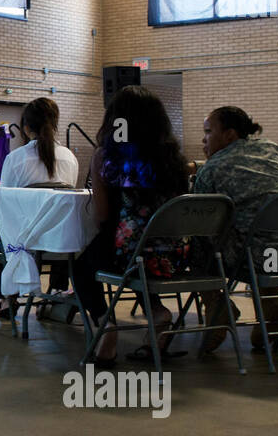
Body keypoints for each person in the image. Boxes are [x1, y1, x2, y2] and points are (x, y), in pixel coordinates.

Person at [72, 86, 191, 366]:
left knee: (82, 267)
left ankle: (106, 326)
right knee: (139, 257)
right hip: (174, 256)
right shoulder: (175, 160)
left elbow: (101, 215)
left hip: (130, 253)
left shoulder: (106, 157)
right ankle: (159, 312)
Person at [192, 106, 278, 349]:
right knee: (271, 233)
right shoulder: (273, 149)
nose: (203, 139)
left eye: (208, 132)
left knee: (199, 240)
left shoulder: (213, 168)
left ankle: (216, 304)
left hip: (257, 259)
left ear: (229, 135)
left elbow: (200, 218)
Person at [0, 97, 80, 319]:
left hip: (24, 239)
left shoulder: (16, 159)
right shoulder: (70, 158)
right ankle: (56, 292)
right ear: (54, 124)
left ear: (26, 127)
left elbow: (5, 205)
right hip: (61, 239)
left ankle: (8, 299)